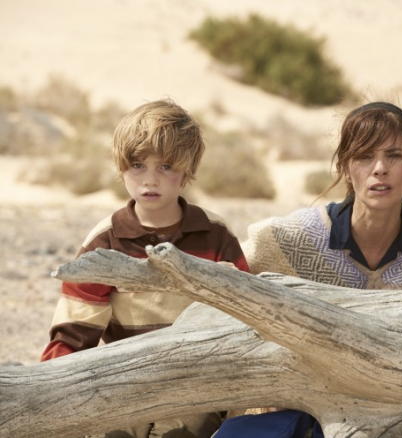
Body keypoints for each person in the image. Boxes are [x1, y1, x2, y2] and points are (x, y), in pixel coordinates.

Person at [213, 101, 402, 438]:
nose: (379, 169)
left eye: (394, 156)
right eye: (363, 157)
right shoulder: (291, 238)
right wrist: (262, 384)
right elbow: (228, 290)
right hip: (296, 408)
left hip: (396, 413)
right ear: (346, 168)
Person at [41, 99, 250, 438]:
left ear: (187, 170)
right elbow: (74, 331)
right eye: (137, 165)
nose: (150, 180)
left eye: (166, 166)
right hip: (124, 379)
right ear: (121, 168)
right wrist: (46, 392)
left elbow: (246, 316)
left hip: (195, 384)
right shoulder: (105, 240)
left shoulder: (215, 234)